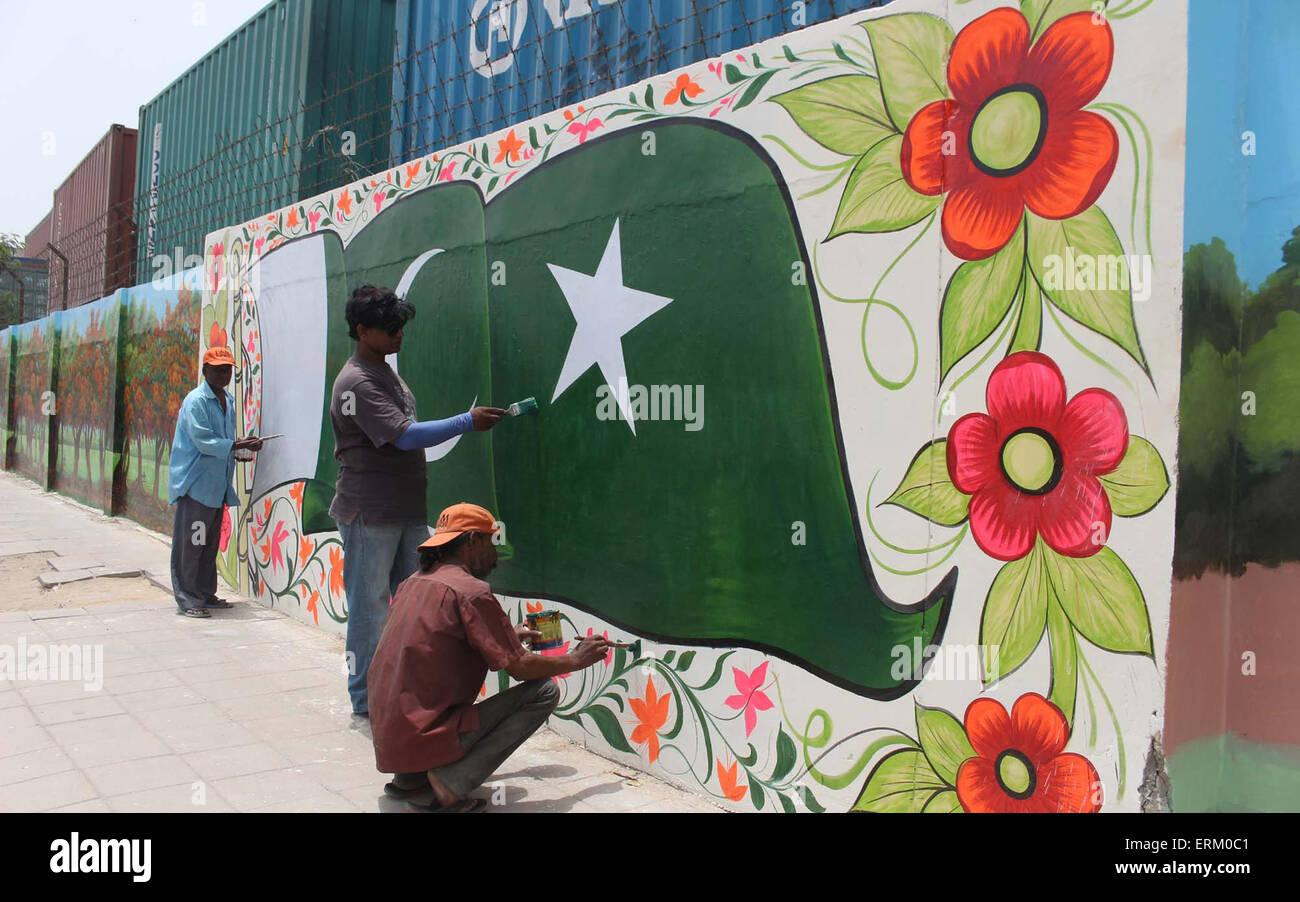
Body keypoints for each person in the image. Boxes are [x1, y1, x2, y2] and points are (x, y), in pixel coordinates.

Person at [329, 285, 506, 716]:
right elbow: (406, 436)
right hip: (370, 512)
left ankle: (403, 692)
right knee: (371, 610)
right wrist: (467, 421)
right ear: (362, 330)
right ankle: (367, 701)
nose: (399, 335)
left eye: (401, 327)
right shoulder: (357, 382)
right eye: (390, 328)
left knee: (415, 603)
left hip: (404, 509)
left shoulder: (384, 371)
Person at [368, 503, 610, 813]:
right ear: (472, 541)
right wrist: (576, 660)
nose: (496, 557)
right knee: (544, 691)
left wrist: (507, 636)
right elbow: (521, 668)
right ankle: (451, 783)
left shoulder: (412, 582)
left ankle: (411, 777)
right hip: (425, 733)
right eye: (492, 543)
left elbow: (439, 642)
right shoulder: (471, 590)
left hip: (390, 740)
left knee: (425, 703)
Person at [167, 346, 263, 618]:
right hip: (196, 487)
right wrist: (238, 445)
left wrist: (240, 450)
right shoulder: (196, 401)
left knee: (209, 545)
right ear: (205, 370)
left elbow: (224, 442)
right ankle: (188, 598)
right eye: (219, 370)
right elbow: (205, 442)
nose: (224, 375)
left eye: (228, 370)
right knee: (192, 545)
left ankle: (205, 593)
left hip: (216, 487)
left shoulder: (227, 400)